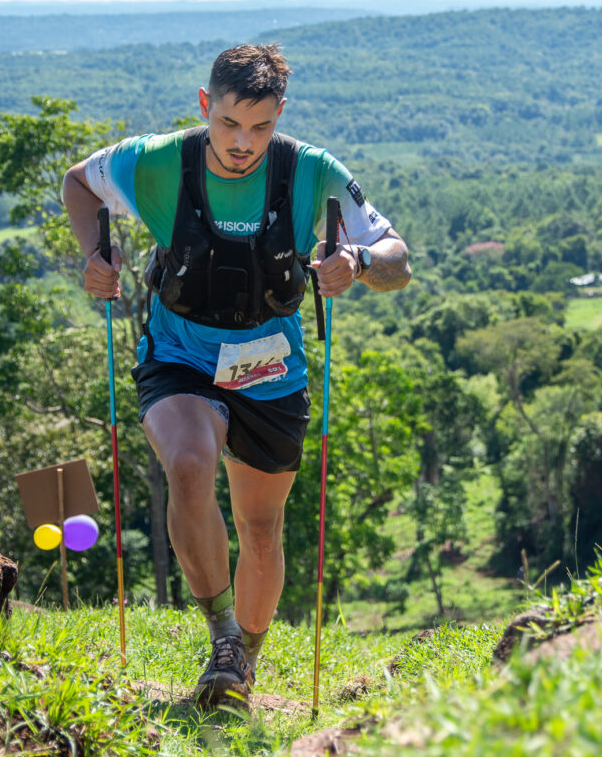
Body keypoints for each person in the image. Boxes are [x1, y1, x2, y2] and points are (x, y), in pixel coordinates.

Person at [62, 44, 410, 708]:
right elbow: (79, 182)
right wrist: (93, 254)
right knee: (189, 464)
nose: (242, 143)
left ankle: (240, 663)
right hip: (180, 352)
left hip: (270, 368)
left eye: (260, 127)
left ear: (280, 115)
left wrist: (359, 261)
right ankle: (221, 635)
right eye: (227, 124)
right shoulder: (159, 160)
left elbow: (399, 259)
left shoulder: (310, 170)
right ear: (204, 105)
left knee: (262, 529)